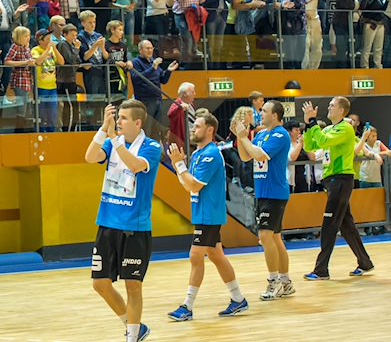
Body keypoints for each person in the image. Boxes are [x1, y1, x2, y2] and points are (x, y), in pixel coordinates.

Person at [84, 100, 161, 342]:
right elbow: (89, 157)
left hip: (134, 228)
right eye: (118, 117)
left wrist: (115, 140)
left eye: (123, 118)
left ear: (138, 123)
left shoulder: (151, 147)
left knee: (132, 285)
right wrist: (103, 130)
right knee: (100, 284)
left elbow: (135, 165)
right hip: (107, 223)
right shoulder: (111, 142)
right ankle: (134, 326)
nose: (119, 122)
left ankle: (132, 336)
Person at [167, 112, 250, 322]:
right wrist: (180, 167)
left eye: (197, 126)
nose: (193, 129)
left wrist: (178, 165)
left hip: (209, 214)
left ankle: (187, 306)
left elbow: (193, 184)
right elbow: (188, 185)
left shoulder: (211, 154)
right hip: (201, 212)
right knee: (216, 256)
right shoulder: (197, 154)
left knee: (196, 256)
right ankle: (238, 298)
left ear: (210, 130)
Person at [302, 97, 375, 280]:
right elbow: (311, 145)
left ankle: (321, 270)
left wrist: (312, 121)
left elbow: (324, 141)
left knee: (329, 224)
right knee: (347, 225)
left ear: (342, 110)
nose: (328, 107)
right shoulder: (327, 128)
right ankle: (365, 263)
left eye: (332, 105)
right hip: (331, 180)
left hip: (341, 179)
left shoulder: (346, 128)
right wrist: (308, 125)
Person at [233, 100, 295, 300]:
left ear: (275, 115)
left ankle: (274, 281)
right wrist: (240, 138)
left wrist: (245, 138)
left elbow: (260, 155)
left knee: (265, 236)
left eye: (265, 110)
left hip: (275, 192)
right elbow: (245, 157)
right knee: (275, 237)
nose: (260, 113)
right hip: (262, 193)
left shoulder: (280, 134)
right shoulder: (260, 134)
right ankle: (285, 283)